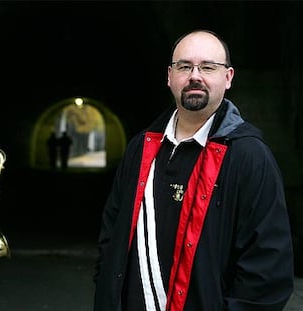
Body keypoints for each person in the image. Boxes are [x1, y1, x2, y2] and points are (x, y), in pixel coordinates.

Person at [93, 30, 294, 311]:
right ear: (169, 76)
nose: (195, 76)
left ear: (228, 77)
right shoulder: (141, 147)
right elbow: (111, 234)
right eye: (184, 66)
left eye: (208, 67)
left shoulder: (250, 156)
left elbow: (268, 270)